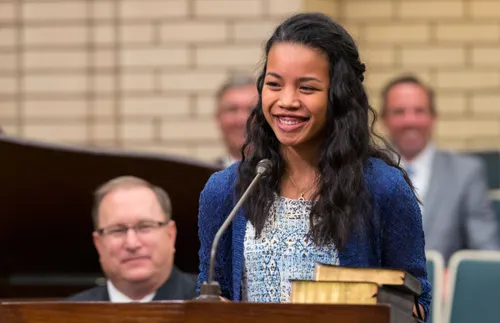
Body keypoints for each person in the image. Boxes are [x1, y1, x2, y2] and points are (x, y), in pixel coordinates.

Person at [197, 12, 431, 320]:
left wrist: (374, 305)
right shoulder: (227, 191)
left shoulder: (383, 188)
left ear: (338, 96)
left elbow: (418, 306)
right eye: (274, 84)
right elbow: (213, 294)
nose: (287, 101)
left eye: (306, 88)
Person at [380, 75, 500, 263]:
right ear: (384, 119)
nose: (410, 120)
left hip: (443, 290)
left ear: (434, 116)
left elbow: (487, 251)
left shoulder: (466, 172)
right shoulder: (363, 169)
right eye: (399, 112)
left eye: (419, 111)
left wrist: (456, 276)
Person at [68, 176, 197, 302]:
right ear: (98, 244)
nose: (132, 244)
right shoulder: (65, 316)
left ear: (170, 234)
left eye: (145, 226)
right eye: (117, 230)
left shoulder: (213, 306)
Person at [214, 75, 258, 168]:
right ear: (217, 118)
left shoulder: (288, 178)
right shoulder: (201, 179)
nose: (242, 120)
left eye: (251, 110)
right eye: (232, 109)